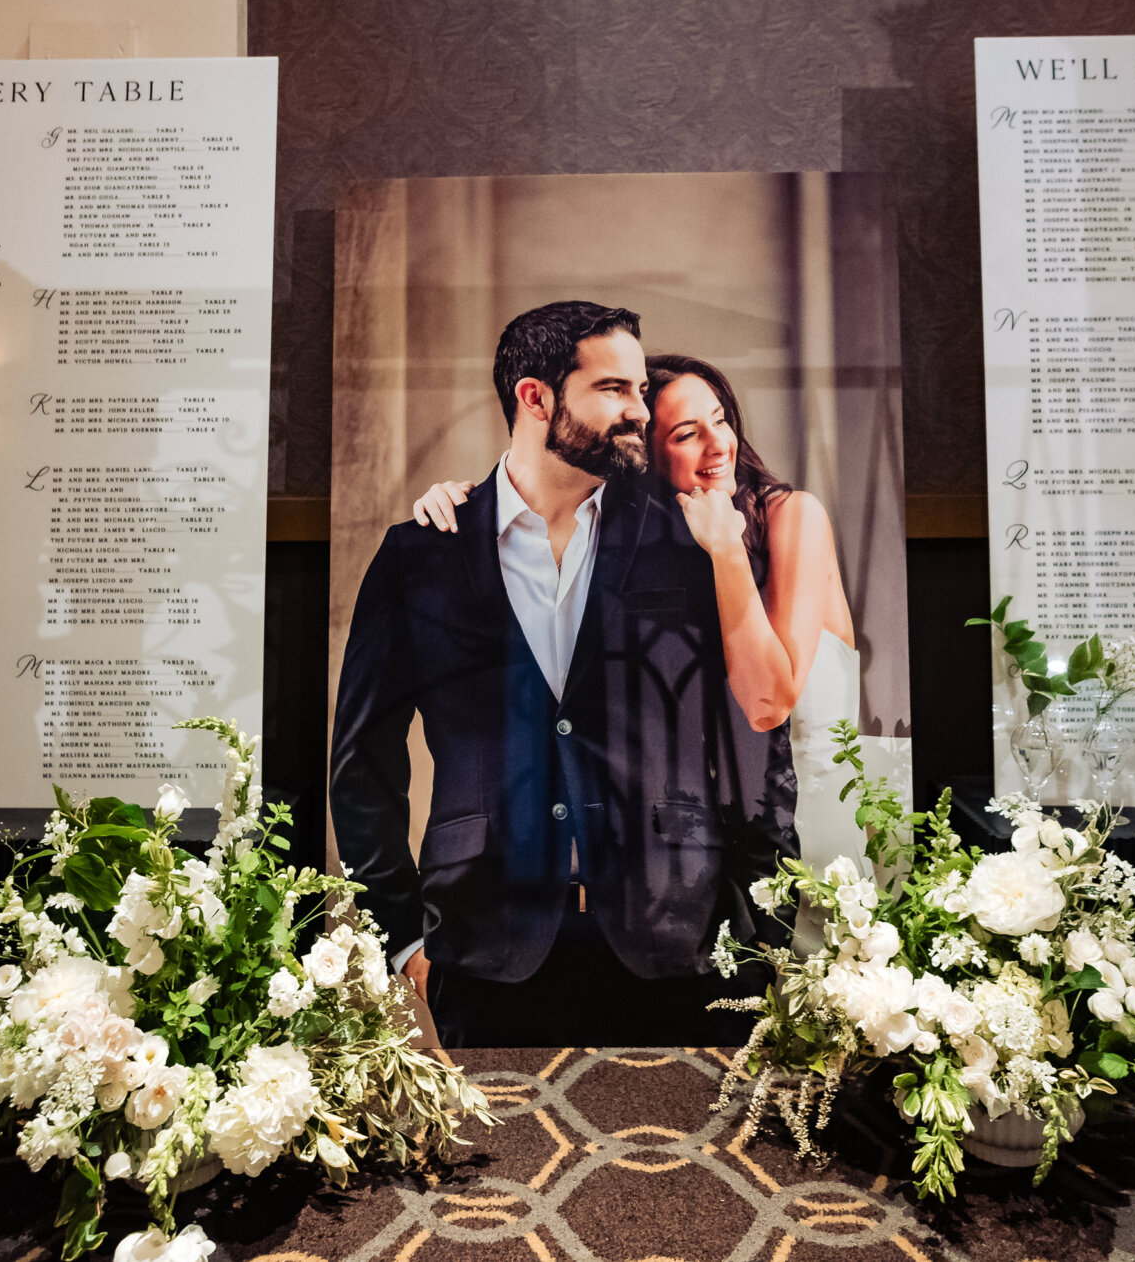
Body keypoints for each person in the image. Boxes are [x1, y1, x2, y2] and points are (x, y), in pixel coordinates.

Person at [331, 303, 796, 1048]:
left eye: (642, 391)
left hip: (679, 949)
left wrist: (762, 932)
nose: (638, 412)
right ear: (535, 396)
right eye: (615, 389)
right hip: (483, 948)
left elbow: (757, 746)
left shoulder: (691, 543)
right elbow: (361, 766)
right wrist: (403, 936)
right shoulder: (422, 555)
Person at [412, 354, 868, 943]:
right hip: (722, 846)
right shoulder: (650, 547)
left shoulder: (790, 517)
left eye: (721, 419)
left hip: (823, 817)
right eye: (685, 434)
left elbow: (768, 701)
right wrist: (467, 503)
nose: (718, 444)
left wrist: (727, 550)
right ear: (643, 456)